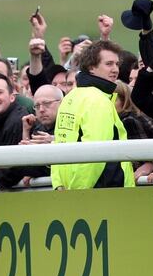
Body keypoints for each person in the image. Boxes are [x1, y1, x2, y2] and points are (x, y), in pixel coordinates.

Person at [51, 40, 135, 190]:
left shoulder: (70, 96)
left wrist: (58, 183)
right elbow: (95, 154)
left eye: (117, 64)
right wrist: (79, 191)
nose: (115, 69)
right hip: (100, 192)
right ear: (91, 67)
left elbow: (58, 143)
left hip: (69, 189)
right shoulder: (98, 100)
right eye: (109, 64)